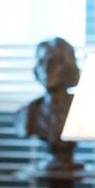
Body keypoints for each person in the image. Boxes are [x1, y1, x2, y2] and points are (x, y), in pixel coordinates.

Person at [14, 37, 82, 171]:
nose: (46, 68)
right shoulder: (28, 113)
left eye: (53, 62)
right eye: (41, 62)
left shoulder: (83, 109)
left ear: (68, 66)